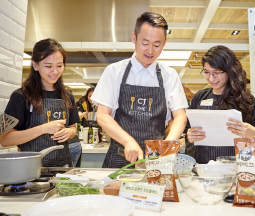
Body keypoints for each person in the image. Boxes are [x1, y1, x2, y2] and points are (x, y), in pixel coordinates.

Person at [91, 12, 188, 168]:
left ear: (164, 43)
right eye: (145, 43)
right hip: (119, 156)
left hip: (156, 159)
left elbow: (180, 117)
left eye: (157, 45)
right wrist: (128, 141)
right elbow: (102, 116)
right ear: (134, 38)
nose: (150, 50)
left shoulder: (169, 75)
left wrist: (167, 146)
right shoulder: (115, 71)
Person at [0, 38, 79, 167]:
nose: (55, 71)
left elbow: (72, 127)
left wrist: (69, 133)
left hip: (63, 168)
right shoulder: (20, 96)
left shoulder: (67, 96)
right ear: (35, 65)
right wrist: (43, 129)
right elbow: (4, 139)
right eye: (48, 66)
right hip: (30, 170)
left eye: (59, 66)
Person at [186, 45, 255, 164]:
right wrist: (190, 136)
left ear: (229, 71)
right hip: (203, 167)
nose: (211, 78)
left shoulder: (247, 100)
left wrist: (254, 134)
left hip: (237, 167)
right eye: (206, 72)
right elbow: (189, 130)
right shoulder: (200, 97)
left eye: (216, 73)